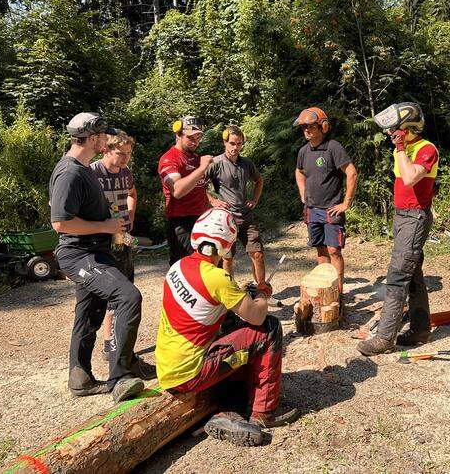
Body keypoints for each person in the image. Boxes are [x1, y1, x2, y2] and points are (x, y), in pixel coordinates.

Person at [155, 208, 299, 446]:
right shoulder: (217, 278)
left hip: (169, 365)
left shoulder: (178, 267)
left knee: (234, 328)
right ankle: (263, 413)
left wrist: (242, 294)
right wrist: (262, 293)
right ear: (227, 245)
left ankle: (227, 409)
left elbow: (210, 303)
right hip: (190, 371)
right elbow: (256, 316)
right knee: (270, 328)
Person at [49, 112, 156, 404]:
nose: (104, 141)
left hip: (97, 250)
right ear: (94, 138)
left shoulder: (81, 169)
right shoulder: (70, 171)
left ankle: (79, 377)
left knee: (89, 314)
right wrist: (106, 226)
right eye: (102, 136)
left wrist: (115, 229)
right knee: (128, 296)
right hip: (79, 254)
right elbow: (59, 223)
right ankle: (120, 376)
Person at [357, 102, 439, 356]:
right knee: (412, 273)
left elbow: (411, 177)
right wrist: (401, 148)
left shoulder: (426, 149)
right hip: (402, 216)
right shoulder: (404, 149)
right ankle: (420, 329)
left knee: (397, 277)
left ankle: (385, 338)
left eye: (395, 129)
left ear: (408, 127)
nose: (391, 134)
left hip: (415, 217)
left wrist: (401, 147)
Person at [294, 107, 358, 298]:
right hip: (311, 209)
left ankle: (337, 293)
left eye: (310, 126)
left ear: (323, 126)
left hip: (331, 209)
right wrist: (303, 193)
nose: (306, 130)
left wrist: (346, 203)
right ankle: (325, 290)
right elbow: (299, 171)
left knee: (334, 250)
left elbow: (352, 173)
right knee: (321, 249)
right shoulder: (303, 151)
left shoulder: (333, 147)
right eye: (303, 127)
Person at [90, 131, 137, 361]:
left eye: (129, 154)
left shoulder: (126, 172)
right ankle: (109, 341)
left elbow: (132, 194)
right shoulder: (92, 172)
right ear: (106, 150)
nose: (126, 158)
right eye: (121, 153)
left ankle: (119, 339)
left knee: (128, 283)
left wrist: (130, 219)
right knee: (114, 290)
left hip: (122, 237)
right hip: (100, 240)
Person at [207, 125, 266, 285]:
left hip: (246, 217)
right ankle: (230, 294)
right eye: (232, 143)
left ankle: (261, 290)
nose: (235, 147)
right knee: (227, 259)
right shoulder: (215, 163)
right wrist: (212, 201)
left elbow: (259, 180)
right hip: (226, 219)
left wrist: (254, 199)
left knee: (258, 254)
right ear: (225, 142)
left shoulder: (246, 163)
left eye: (239, 144)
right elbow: (199, 185)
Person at [158, 116, 213, 265]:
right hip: (181, 224)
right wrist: (202, 168)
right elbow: (177, 190)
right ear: (178, 135)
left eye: (198, 137)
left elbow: (199, 188)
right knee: (185, 268)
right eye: (190, 137)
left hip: (201, 220)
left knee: (208, 266)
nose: (195, 141)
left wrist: (212, 202)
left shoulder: (196, 158)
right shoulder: (169, 159)